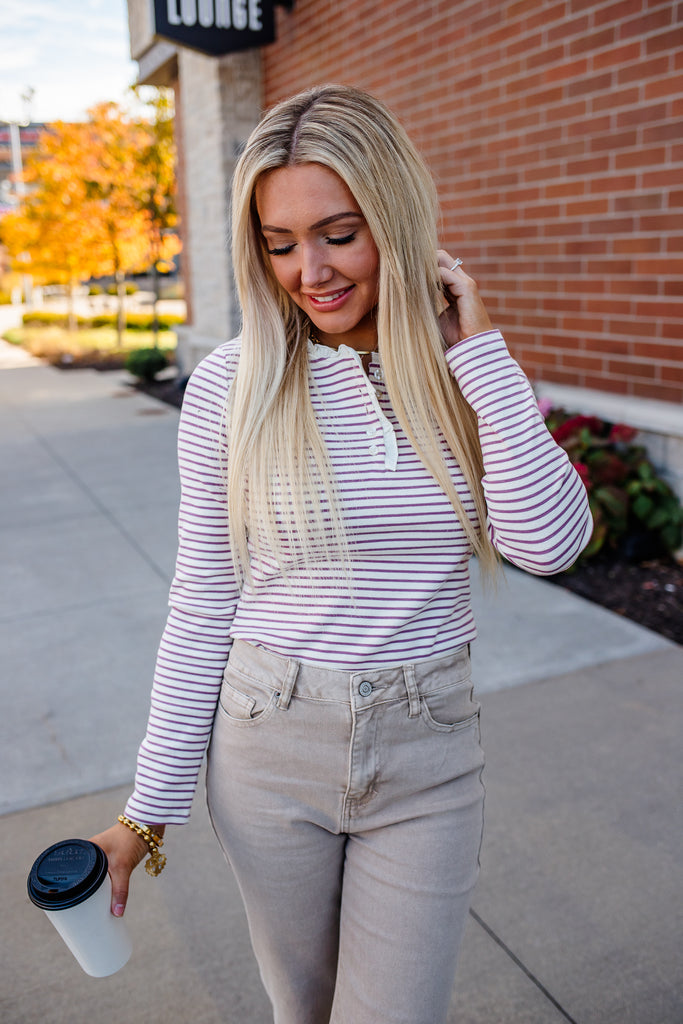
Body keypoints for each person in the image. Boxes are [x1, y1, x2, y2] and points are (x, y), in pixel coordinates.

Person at [92, 84, 592, 1023]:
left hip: (426, 752)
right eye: (279, 244)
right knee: (305, 1012)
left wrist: (478, 358)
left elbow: (551, 546)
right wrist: (143, 811)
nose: (307, 270)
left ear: (396, 224)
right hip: (267, 743)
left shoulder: (459, 374)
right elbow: (203, 602)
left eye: (337, 233)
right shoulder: (229, 389)